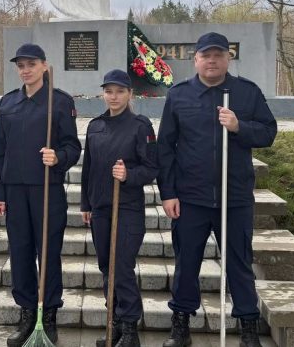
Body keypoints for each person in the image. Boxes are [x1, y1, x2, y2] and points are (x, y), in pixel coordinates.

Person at [157, 32, 278, 347]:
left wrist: (239, 127)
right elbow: (165, 148)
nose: (212, 61)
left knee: (239, 264)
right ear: (195, 59)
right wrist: (168, 193)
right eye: (206, 55)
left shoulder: (246, 93)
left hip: (234, 197)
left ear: (228, 58)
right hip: (190, 198)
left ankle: (247, 326)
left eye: (218, 55)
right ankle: (181, 324)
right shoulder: (179, 95)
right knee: (187, 265)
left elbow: (268, 133)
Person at [0, 43, 83, 346]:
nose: (26, 70)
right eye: (21, 65)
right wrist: (0, 191)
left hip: (46, 190)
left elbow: (73, 146)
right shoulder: (8, 103)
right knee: (20, 254)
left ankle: (50, 314)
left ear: (44, 65)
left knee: (48, 254)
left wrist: (58, 157)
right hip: (15, 191)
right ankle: (27, 313)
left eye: (31, 64)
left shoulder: (59, 102)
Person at [81, 69, 158, 347]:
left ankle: (129, 330)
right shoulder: (94, 126)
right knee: (106, 268)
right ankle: (112, 324)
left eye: (120, 91)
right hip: (101, 208)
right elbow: (88, 167)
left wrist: (129, 175)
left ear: (130, 94)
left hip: (127, 209)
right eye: (109, 91)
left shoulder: (140, 125)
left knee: (122, 267)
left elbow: (151, 168)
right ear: (103, 93)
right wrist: (85, 203)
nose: (113, 97)